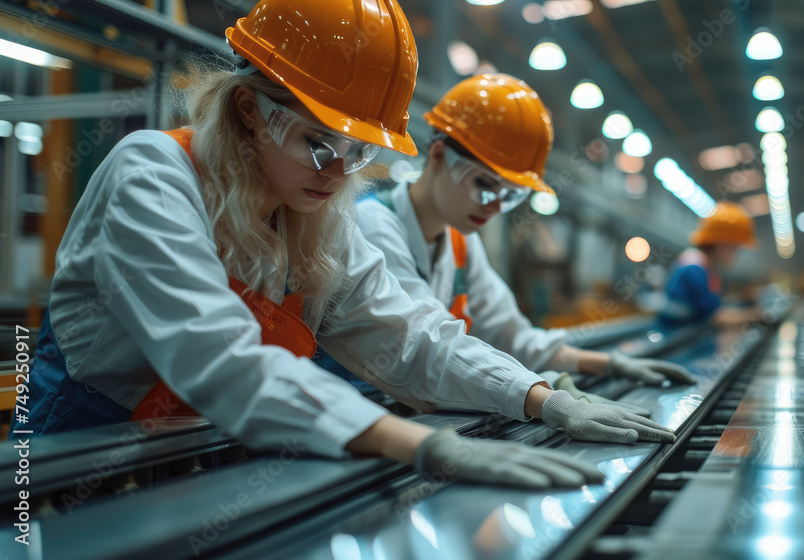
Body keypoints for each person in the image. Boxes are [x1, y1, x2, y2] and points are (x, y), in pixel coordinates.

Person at [10, 0, 674, 488]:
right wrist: (416, 444)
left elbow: (411, 336)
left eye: (357, 154)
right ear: (249, 111)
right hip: (76, 462)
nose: (336, 172)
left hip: (193, 457)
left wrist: (541, 396)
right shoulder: (152, 175)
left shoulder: (317, 217)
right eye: (319, 144)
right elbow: (215, 356)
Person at [345, 74, 696, 411]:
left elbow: (513, 338)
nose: (495, 206)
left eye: (510, 195)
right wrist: (541, 394)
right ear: (437, 156)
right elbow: (423, 350)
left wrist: (606, 363)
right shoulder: (373, 227)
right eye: (483, 184)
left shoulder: (461, 243)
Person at [657, 202, 761, 329]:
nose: (737, 253)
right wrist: (755, 315)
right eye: (735, 247)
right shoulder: (694, 270)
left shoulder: (704, 267)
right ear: (721, 243)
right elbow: (714, 317)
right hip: (675, 341)